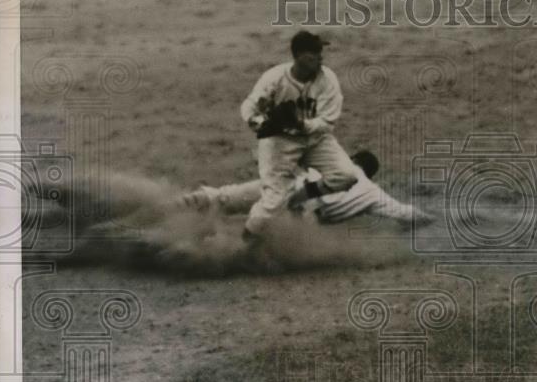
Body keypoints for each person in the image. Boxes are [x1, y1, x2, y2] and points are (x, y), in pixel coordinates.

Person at [240, 30, 360, 241]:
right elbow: (250, 107)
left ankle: (296, 199)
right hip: (279, 143)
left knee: (346, 175)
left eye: (320, 51)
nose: (320, 57)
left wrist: (301, 125)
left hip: (315, 140)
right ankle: (245, 243)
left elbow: (326, 122)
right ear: (298, 56)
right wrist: (259, 123)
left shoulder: (327, 79)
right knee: (272, 202)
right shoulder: (275, 78)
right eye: (314, 53)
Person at [180, 149, 434, 227]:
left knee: (223, 197)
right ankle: (209, 251)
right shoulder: (373, 192)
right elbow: (407, 213)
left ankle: (189, 203)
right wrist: (429, 221)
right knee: (258, 238)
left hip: (285, 187)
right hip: (302, 216)